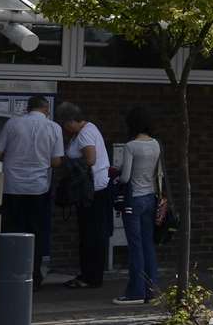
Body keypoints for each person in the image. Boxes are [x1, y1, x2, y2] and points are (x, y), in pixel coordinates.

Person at [0, 95, 63, 290]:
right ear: (46, 109)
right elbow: (56, 161)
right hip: (38, 188)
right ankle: (33, 277)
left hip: (12, 186)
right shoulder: (54, 128)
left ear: (27, 109)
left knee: (11, 230)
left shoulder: (13, 124)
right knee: (35, 233)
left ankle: (9, 274)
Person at [55, 101, 112, 288]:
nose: (64, 128)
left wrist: (67, 165)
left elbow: (90, 159)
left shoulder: (85, 133)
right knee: (89, 234)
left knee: (92, 234)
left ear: (71, 120)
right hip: (91, 190)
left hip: (93, 191)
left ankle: (91, 276)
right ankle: (88, 274)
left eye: (65, 123)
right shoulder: (87, 129)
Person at [114, 106, 161, 305]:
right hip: (150, 197)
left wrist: (116, 173)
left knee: (135, 246)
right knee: (148, 244)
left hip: (134, 199)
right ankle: (152, 290)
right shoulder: (156, 144)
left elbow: (125, 177)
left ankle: (135, 291)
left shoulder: (131, 146)